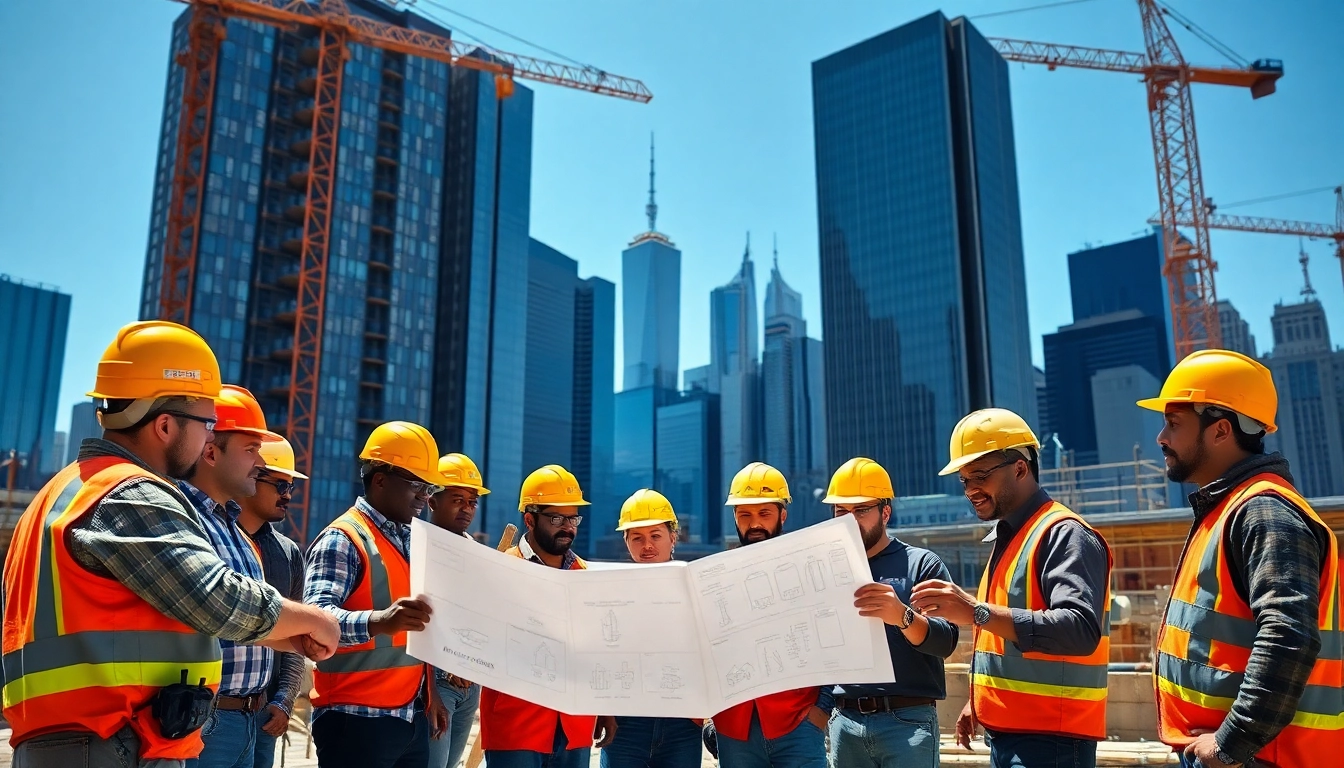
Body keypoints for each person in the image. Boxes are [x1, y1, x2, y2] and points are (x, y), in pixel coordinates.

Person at [2, 320, 338, 768]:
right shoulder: (128, 493)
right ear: (164, 425)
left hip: (78, 738)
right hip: (111, 740)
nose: (207, 439)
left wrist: (282, 637)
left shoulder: (62, 492)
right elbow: (214, 596)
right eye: (207, 423)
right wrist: (311, 619)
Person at [1137, 350, 1343, 768]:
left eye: (1173, 424)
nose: (1161, 437)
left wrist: (1232, 741)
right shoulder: (1231, 508)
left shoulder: (1263, 511)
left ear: (1221, 430)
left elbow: (1288, 634)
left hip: (1257, 756)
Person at [910, 408, 1113, 768]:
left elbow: (1080, 629)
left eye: (980, 476)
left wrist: (975, 612)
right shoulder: (1012, 537)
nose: (971, 489)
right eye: (964, 480)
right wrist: (982, 700)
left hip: (1053, 742)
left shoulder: (1063, 533)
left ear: (1020, 468)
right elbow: (1005, 639)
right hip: (1013, 734)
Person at [304, 421, 453, 768]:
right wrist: (379, 621)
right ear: (380, 479)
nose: (424, 496)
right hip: (354, 719)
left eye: (428, 487)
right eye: (416, 484)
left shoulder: (412, 541)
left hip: (409, 716)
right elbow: (314, 621)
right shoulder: (343, 540)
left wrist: (431, 697)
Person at [818, 458, 959, 768]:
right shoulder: (826, 570)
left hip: (906, 722)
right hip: (845, 721)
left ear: (885, 512)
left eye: (861, 510)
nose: (850, 520)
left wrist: (902, 616)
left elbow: (946, 641)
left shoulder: (921, 565)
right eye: (841, 512)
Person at [478, 465, 617, 768]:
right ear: (529, 518)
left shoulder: (585, 575)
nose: (568, 526)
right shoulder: (498, 570)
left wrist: (604, 707)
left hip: (574, 727)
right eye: (556, 518)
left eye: (573, 518)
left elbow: (595, 651)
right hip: (516, 726)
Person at [178, 385, 286, 768]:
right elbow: (219, 605)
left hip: (248, 720)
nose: (260, 462)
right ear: (210, 452)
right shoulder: (183, 522)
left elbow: (252, 627)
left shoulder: (233, 529)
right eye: (251, 449)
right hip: (204, 723)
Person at [706, 462, 828, 768]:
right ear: (734, 517)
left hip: (798, 722)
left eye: (764, 513)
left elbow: (832, 640)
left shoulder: (809, 571)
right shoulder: (713, 578)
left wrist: (822, 709)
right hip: (735, 727)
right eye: (745, 514)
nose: (754, 523)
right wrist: (708, 715)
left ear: (782, 515)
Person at [600, 489, 705, 768]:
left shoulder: (698, 587)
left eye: (655, 536)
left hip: (682, 724)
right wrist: (606, 712)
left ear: (673, 537)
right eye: (637, 537)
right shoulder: (608, 593)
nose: (647, 545)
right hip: (625, 724)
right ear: (626, 541)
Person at [237, 437, 310, 768]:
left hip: (265, 714)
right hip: (215, 715)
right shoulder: (214, 539)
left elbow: (294, 641)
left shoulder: (288, 553)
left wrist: (284, 701)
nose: (288, 494)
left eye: (291, 485)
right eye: (280, 483)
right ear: (251, 476)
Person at [425, 453, 490, 768]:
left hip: (470, 685)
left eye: (472, 501)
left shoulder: (478, 556)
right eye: (458, 499)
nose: (467, 508)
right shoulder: (418, 550)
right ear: (432, 500)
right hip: (435, 682)